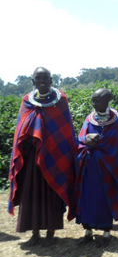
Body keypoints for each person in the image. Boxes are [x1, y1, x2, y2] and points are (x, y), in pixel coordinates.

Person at [8, 67, 77, 247]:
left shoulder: (60, 100)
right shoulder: (27, 101)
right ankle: (35, 233)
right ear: (33, 82)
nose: (42, 82)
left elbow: (64, 131)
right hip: (31, 158)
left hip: (54, 157)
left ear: (51, 80)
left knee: (51, 194)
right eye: (38, 79)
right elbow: (21, 129)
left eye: (45, 79)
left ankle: (50, 233)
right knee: (32, 195)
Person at [70, 88, 118, 248]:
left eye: (98, 101)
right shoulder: (89, 119)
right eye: (93, 101)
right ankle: (88, 232)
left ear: (107, 102)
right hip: (88, 170)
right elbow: (80, 139)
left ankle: (106, 233)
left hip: (107, 170)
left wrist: (100, 146)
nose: (94, 104)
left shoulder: (117, 123)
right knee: (87, 200)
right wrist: (86, 139)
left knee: (105, 201)